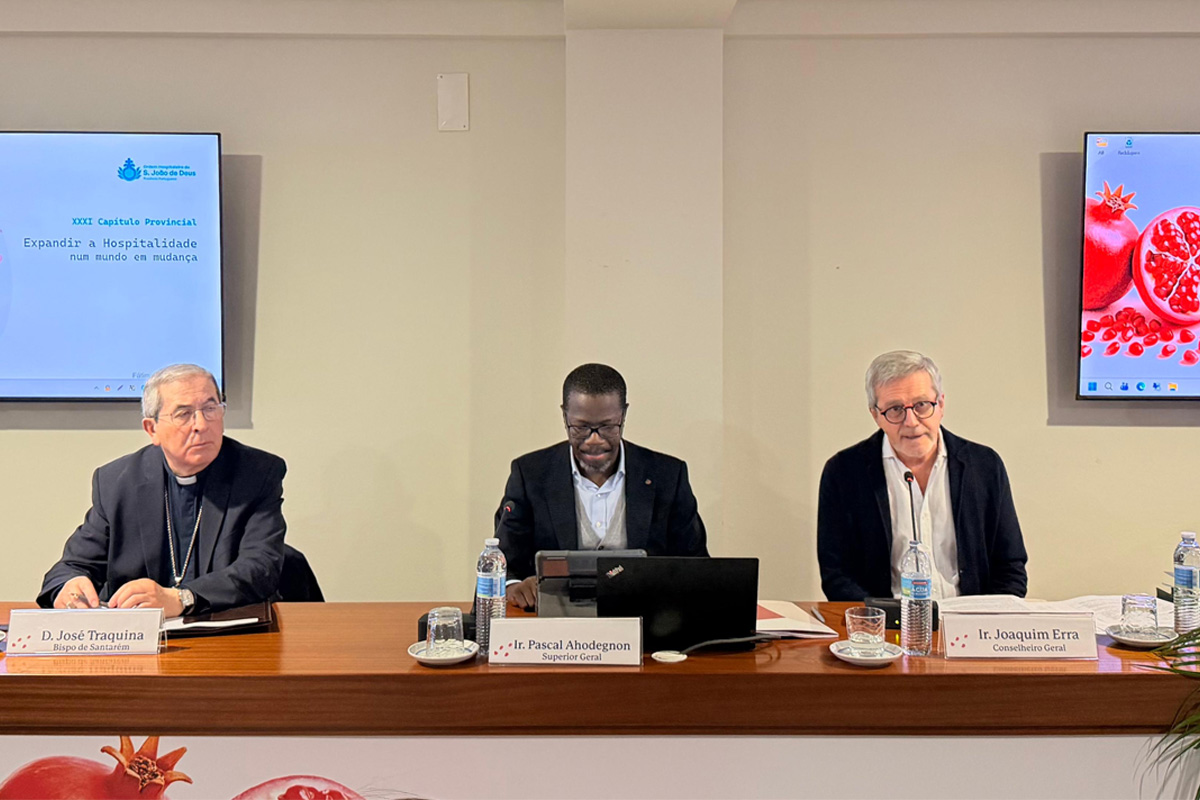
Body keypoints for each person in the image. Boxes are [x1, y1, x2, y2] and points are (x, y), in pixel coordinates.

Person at [38, 364, 287, 615]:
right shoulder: (117, 482)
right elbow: (71, 567)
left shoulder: (258, 473)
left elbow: (261, 567)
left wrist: (183, 598)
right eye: (183, 414)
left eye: (210, 409)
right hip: (138, 632)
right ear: (152, 429)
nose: (201, 424)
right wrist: (69, 586)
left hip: (230, 627)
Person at [817, 350, 1028, 602]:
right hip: (884, 620)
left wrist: (987, 618)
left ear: (941, 404)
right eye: (895, 409)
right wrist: (880, 618)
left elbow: (1010, 567)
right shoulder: (843, 473)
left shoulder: (984, 466)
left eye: (921, 405)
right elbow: (837, 575)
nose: (911, 421)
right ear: (875, 415)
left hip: (969, 619)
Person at [496, 363, 709, 609]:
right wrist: (514, 585)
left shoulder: (668, 476)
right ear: (565, 416)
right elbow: (503, 563)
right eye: (581, 427)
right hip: (556, 619)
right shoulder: (530, 474)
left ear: (623, 415)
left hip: (645, 617)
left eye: (607, 427)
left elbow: (696, 566)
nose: (594, 440)